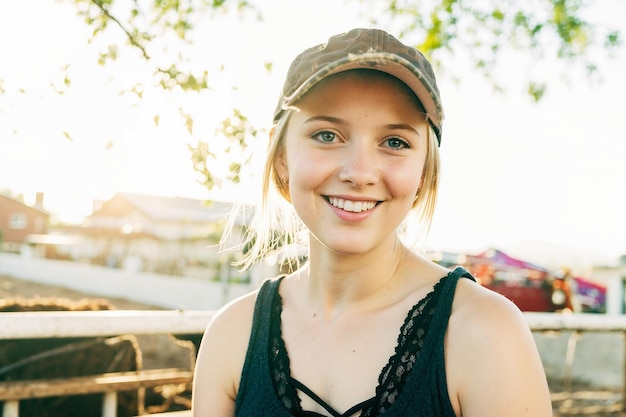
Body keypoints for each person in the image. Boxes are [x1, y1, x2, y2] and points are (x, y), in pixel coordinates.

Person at [192, 28, 553, 417]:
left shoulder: (485, 334)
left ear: (424, 170)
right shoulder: (232, 336)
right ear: (280, 156)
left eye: (395, 142)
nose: (360, 173)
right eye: (327, 135)